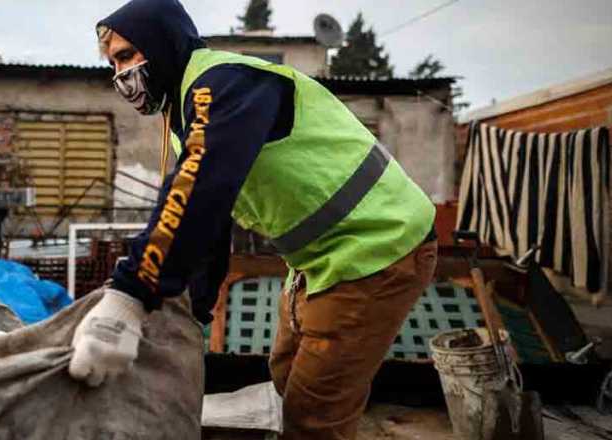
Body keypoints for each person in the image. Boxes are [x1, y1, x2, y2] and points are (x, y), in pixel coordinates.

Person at [68, 1, 439, 438]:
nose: (120, 74)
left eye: (128, 55)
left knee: (313, 412)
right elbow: (208, 221)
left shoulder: (224, 84)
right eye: (113, 63)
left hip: (379, 246)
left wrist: (128, 296)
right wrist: (191, 312)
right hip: (321, 259)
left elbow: (197, 190)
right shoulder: (188, 112)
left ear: (162, 41)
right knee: (285, 374)